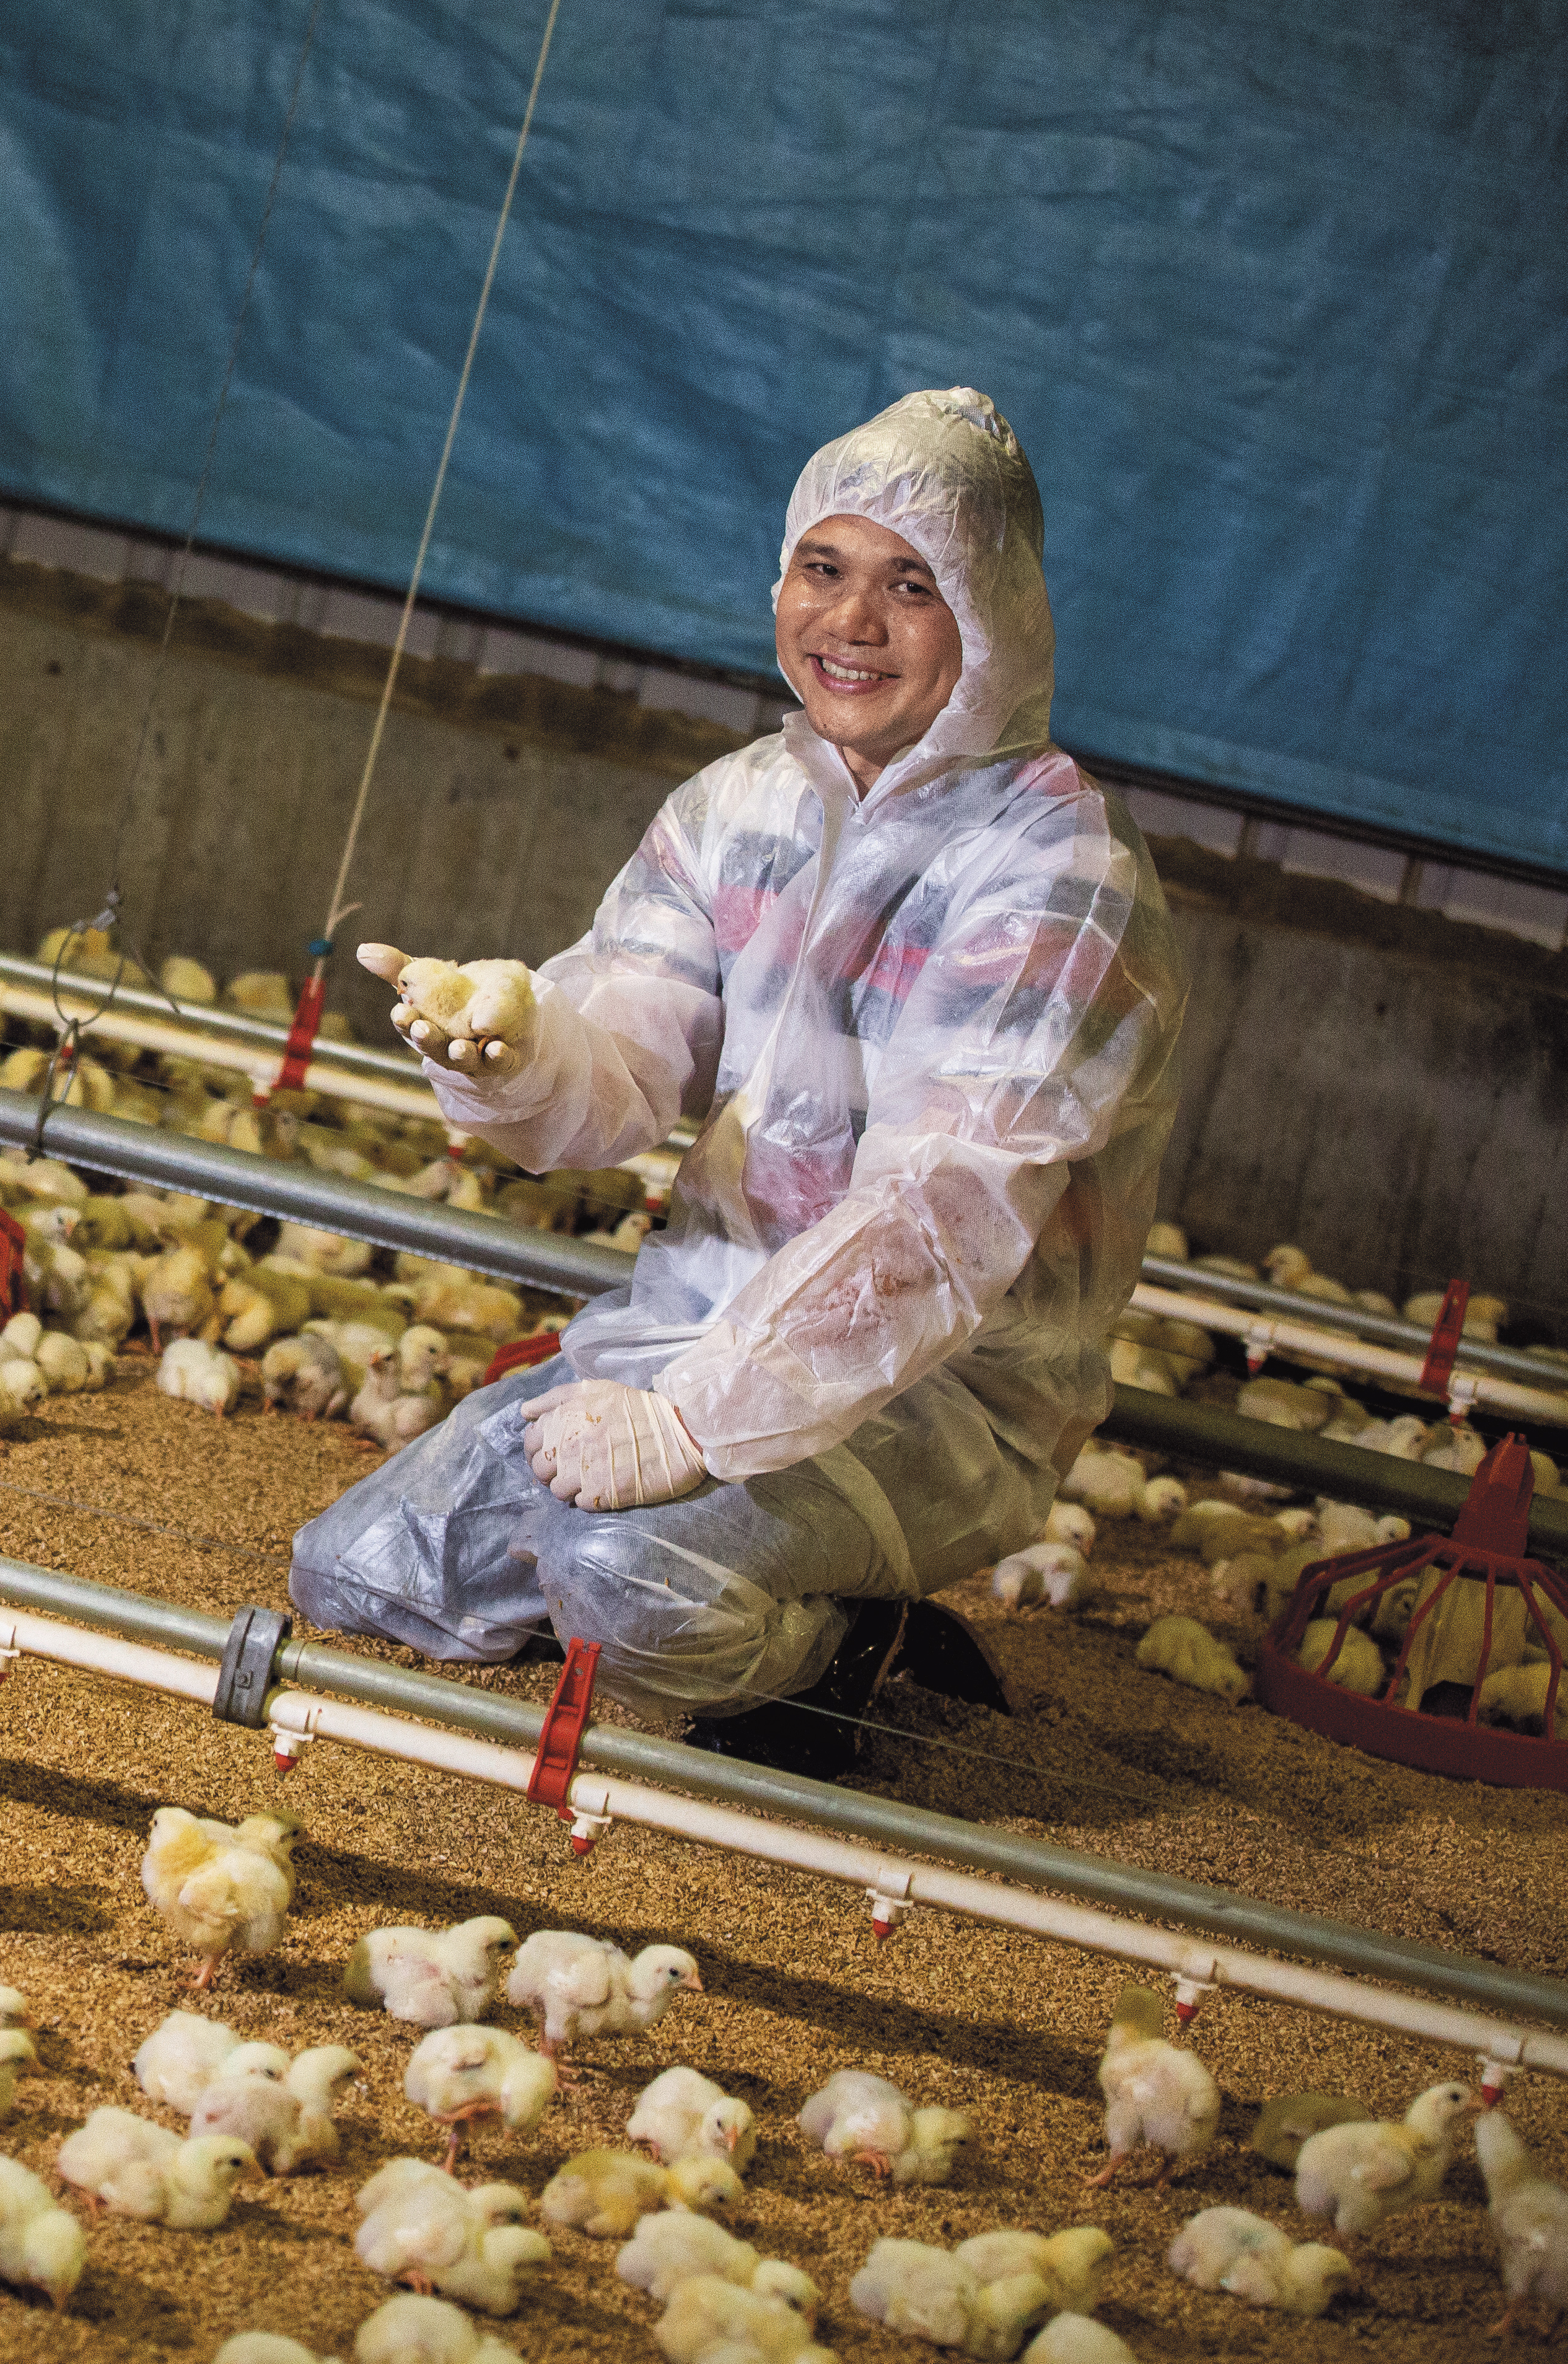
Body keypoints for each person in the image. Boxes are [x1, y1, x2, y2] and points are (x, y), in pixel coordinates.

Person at [289, 387, 1185, 1773]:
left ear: (990, 617)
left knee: (619, 1574)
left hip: (937, 1389)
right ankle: (686, 1582)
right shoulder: (739, 809)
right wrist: (523, 1048)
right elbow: (628, 1050)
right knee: (368, 1571)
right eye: (824, 571)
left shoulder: (1057, 870)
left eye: (911, 586)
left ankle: (845, 1648)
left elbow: (945, 1219)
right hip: (697, 1326)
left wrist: (695, 1428)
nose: (854, 622)